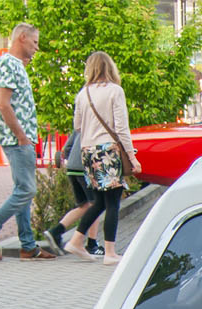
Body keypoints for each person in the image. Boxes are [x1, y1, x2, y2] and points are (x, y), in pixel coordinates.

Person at [0, 23, 53, 261]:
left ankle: (28, 245)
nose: (37, 47)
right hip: (17, 139)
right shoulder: (8, 63)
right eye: (35, 42)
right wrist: (21, 135)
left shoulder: (15, 65)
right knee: (26, 190)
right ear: (22, 38)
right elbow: (3, 103)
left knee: (23, 191)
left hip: (22, 138)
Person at [63, 51, 140, 266]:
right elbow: (121, 127)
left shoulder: (83, 93)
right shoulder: (115, 91)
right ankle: (110, 252)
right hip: (108, 150)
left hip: (88, 151)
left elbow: (77, 126)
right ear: (110, 67)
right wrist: (132, 157)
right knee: (113, 201)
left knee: (99, 201)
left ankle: (77, 240)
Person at [46, 132, 103, 257]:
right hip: (86, 168)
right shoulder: (97, 123)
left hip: (72, 168)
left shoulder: (80, 124)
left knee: (84, 206)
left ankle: (56, 231)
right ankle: (92, 244)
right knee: (97, 204)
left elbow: (67, 148)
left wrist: (72, 160)